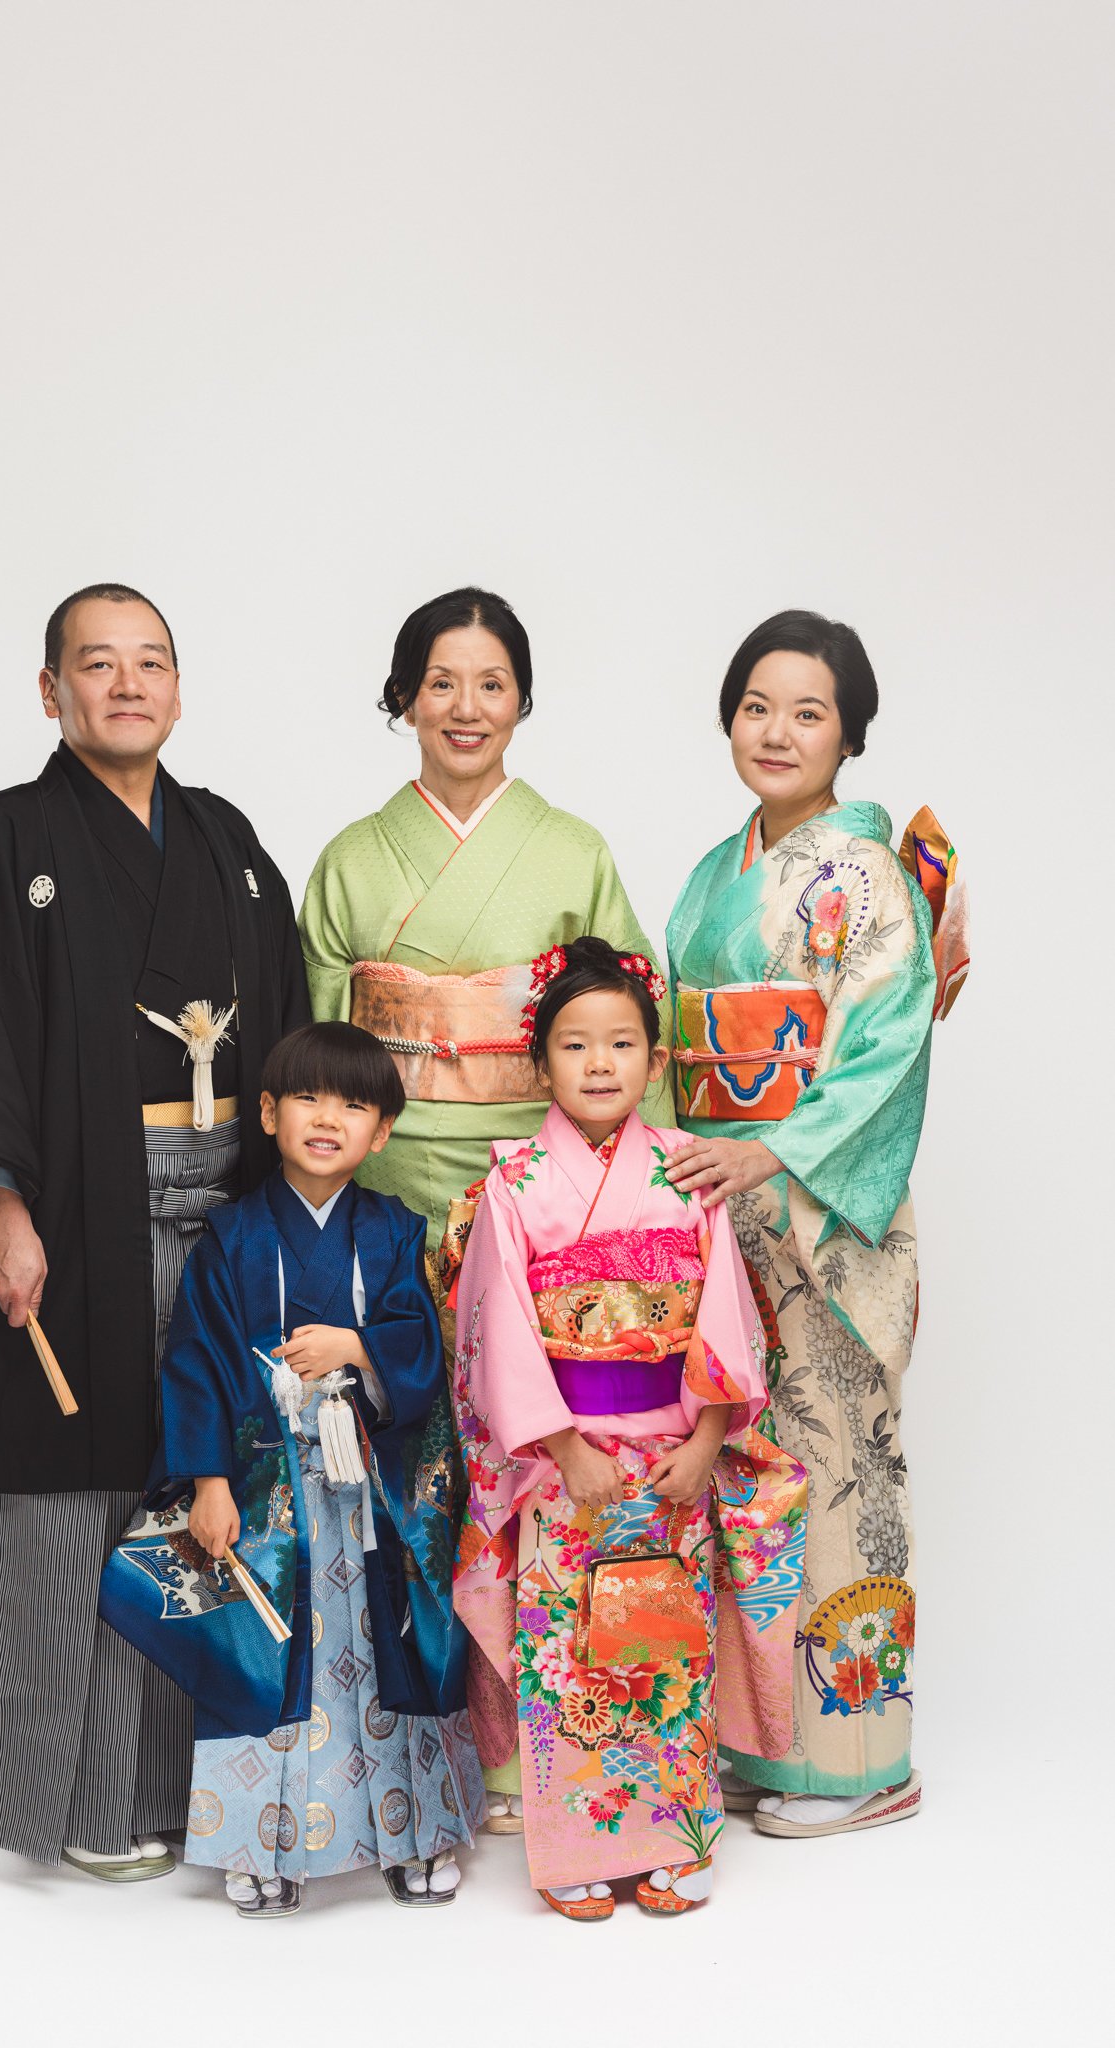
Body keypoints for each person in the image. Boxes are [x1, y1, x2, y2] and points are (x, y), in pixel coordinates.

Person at [0, 582, 309, 1878]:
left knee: (198, 1477)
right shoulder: (0, 840)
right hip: (74, 1200)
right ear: (50, 691)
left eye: (151, 664)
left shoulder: (229, 844)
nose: (126, 685)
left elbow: (289, 1037)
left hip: (222, 1200)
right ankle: (56, 1804)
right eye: (97, 664)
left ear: (178, 691)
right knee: (54, 1485)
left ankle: (170, 1797)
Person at [299, 586, 671, 1830]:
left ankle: (544, 1742)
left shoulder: (570, 853)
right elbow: (322, 1055)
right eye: (440, 681)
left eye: (491, 683)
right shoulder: (354, 858)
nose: (465, 706)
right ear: (402, 695)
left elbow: (625, 1023)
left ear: (522, 699)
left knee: (543, 1468)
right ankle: (421, 1737)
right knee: (412, 1463)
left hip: (544, 1199)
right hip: (393, 1186)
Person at [663, 609, 968, 1840]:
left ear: (849, 733)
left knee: (836, 1475)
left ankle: (857, 1761)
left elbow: (886, 1049)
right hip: (725, 1214)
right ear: (728, 715)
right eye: (756, 705)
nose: (777, 730)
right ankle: (759, 1743)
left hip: (817, 1220)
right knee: (742, 1481)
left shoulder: (866, 877)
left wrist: (770, 1149)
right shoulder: (710, 872)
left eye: (808, 711)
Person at [449, 939, 807, 1919]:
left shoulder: (684, 1174)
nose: (599, 1062)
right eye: (574, 1044)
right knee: (571, 1654)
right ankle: (575, 1854)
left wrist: (706, 1441)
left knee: (661, 1651)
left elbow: (729, 1316)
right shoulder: (513, 1183)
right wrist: (562, 1445)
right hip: (567, 1460)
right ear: (540, 1064)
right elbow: (495, 1332)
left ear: (654, 1058)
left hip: (671, 1462)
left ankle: (669, 1846)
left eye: (620, 1042)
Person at [149, 1022, 483, 1915]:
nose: (327, 1118)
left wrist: (361, 1346)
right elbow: (197, 1362)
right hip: (268, 1488)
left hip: (370, 1478)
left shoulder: (393, 1229)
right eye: (306, 1097)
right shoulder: (231, 1237)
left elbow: (423, 1349)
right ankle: (260, 1841)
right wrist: (209, 1481)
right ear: (266, 1112)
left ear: (382, 1131)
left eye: (354, 1104)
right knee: (269, 1651)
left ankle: (418, 1833)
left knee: (396, 1646)